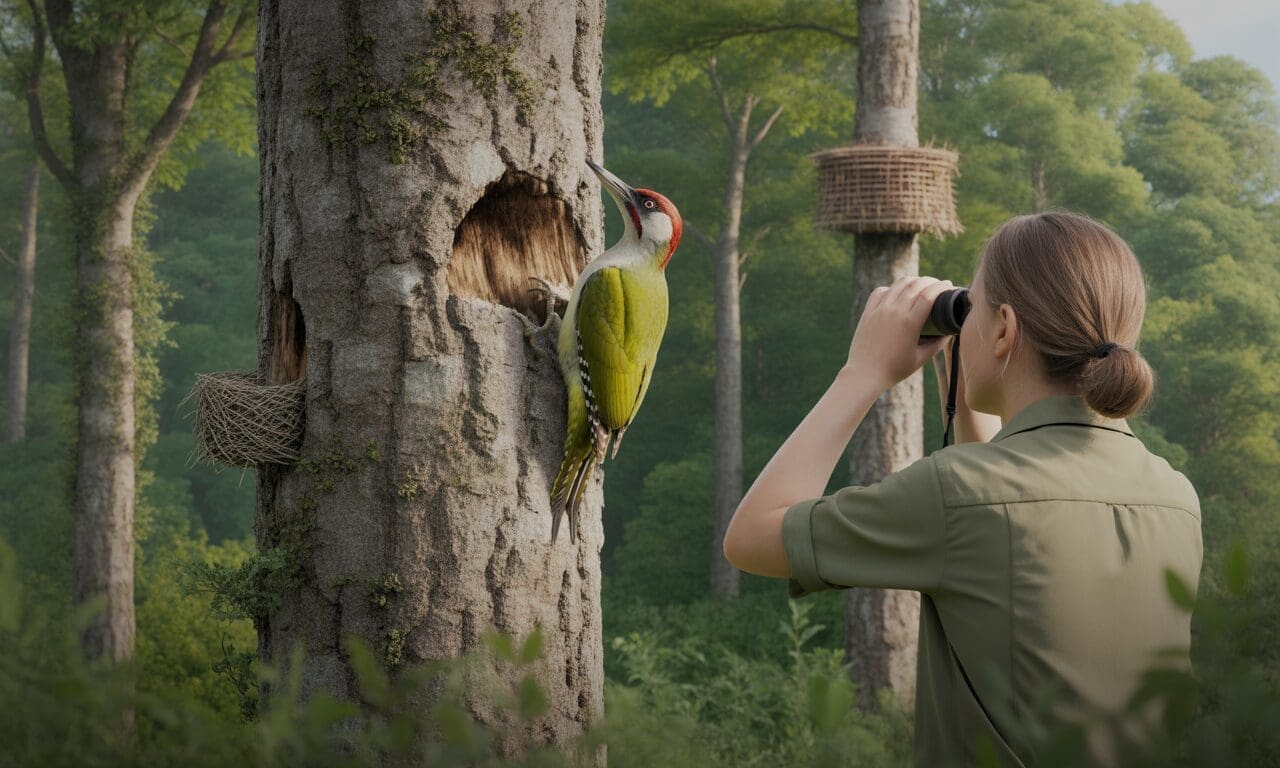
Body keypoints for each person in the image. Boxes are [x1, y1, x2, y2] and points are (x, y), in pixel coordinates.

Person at [722, 211, 1203, 767]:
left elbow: (751, 537)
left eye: (970, 308)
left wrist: (863, 372)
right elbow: (1006, 541)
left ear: (1003, 330)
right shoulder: (1175, 496)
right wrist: (965, 390)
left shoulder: (957, 493)